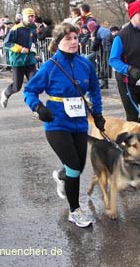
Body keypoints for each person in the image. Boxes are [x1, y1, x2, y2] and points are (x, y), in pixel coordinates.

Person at [23, 22, 105, 227]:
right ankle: (75, 211)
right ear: (58, 42)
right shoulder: (50, 66)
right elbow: (29, 91)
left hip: (80, 122)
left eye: (76, 38)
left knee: (76, 166)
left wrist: (98, 113)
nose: (73, 42)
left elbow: (94, 89)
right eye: (68, 38)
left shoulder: (85, 64)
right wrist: (38, 108)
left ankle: (62, 176)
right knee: (75, 167)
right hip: (56, 122)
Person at [0, 8, 38, 108]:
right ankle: (6, 93)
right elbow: (6, 43)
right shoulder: (15, 29)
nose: (31, 18)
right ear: (23, 17)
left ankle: (35, 107)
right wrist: (20, 49)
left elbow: (34, 42)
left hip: (30, 60)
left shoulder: (34, 28)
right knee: (17, 87)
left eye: (32, 16)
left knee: (34, 84)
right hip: (18, 61)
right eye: (29, 16)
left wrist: (35, 52)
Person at [86, 20, 112, 89]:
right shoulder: (100, 30)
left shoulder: (97, 32)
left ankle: (103, 82)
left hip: (105, 49)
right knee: (104, 65)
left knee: (104, 65)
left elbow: (94, 46)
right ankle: (104, 83)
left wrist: (92, 39)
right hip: (106, 47)